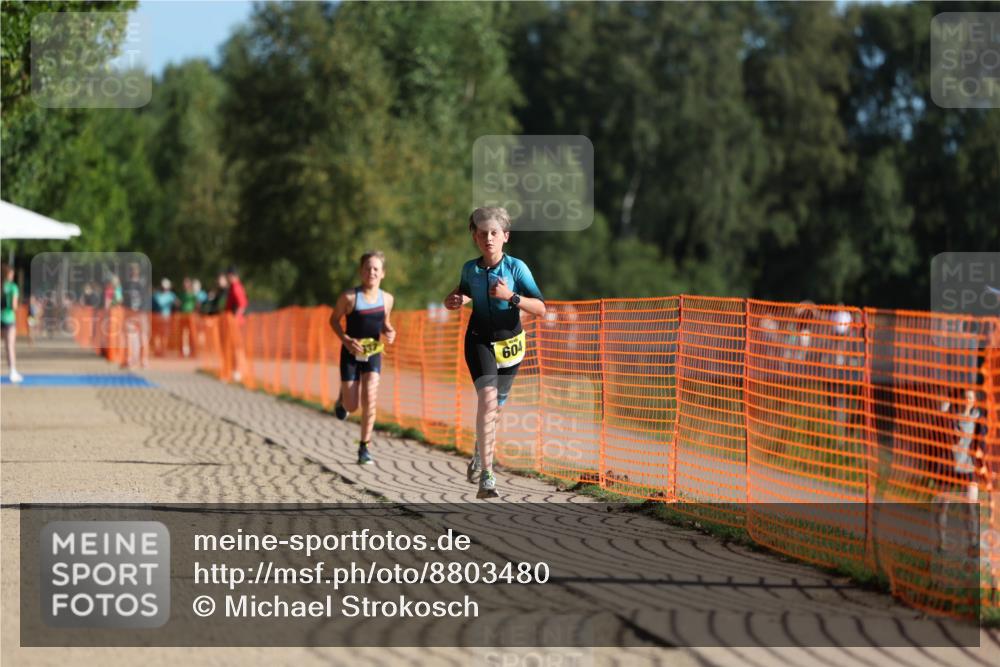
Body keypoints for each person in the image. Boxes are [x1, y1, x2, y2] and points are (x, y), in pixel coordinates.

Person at [444, 207, 546, 498]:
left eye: (494, 233)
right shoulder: (470, 268)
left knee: (496, 408)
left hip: (511, 344)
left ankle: (481, 449)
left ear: (505, 236)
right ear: (475, 237)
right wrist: (454, 300)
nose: (488, 238)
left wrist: (510, 297)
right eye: (482, 233)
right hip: (479, 340)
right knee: (487, 402)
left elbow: (540, 308)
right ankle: (487, 476)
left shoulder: (516, 268)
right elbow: (462, 293)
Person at [329, 251, 396, 465]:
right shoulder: (349, 297)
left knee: (370, 399)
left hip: (373, 352)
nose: (372, 272)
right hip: (350, 352)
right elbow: (334, 321)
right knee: (351, 406)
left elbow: (383, 322)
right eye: (368, 268)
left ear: (383, 273)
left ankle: (364, 447)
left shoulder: (387, 299)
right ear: (361, 272)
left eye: (376, 269)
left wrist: (390, 331)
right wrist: (346, 339)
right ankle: (342, 398)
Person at [936, 381, 987, 555]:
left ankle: (972, 544)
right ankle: (941, 544)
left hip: (968, 468)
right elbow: (938, 430)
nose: (968, 401)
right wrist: (944, 413)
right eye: (965, 397)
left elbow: (983, 440)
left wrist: (981, 456)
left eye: (971, 398)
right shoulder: (950, 417)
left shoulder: (978, 417)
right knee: (942, 507)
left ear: (974, 400)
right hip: (949, 468)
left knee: (970, 506)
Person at [224, 266, 249, 382]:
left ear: (231, 275)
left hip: (236, 323)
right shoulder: (233, 287)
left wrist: (235, 318)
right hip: (233, 322)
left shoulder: (236, 287)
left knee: (236, 348)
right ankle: (236, 370)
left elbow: (242, 305)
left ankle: (239, 371)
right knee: (233, 347)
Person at [1, 264, 23, 383]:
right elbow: (14, 306)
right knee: (10, 346)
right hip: (8, 319)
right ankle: (13, 372)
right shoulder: (13, 287)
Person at [152, 278, 177, 356]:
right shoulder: (156, 295)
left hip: (166, 318)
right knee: (157, 334)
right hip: (157, 317)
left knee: (165, 334)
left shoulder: (171, 295)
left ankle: (163, 350)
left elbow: (177, 304)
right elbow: (155, 305)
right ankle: (157, 349)